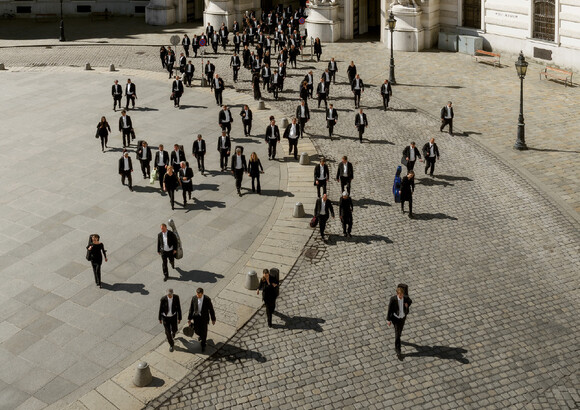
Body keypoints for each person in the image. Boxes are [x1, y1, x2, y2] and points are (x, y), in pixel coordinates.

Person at [187, 288, 216, 352]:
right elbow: (191, 309)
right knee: (197, 330)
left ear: (202, 294)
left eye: (199, 295)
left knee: (204, 331)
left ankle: (203, 344)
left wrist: (213, 319)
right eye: (197, 294)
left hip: (204, 318)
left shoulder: (207, 299)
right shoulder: (194, 298)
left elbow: (211, 309)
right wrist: (189, 318)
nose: (198, 296)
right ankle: (200, 335)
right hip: (196, 318)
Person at [387, 286, 412, 356]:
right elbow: (390, 309)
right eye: (400, 295)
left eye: (402, 295)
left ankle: (398, 337)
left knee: (400, 331)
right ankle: (398, 350)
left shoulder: (406, 298)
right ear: (397, 294)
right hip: (396, 318)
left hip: (403, 318)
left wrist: (407, 306)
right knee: (397, 334)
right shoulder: (393, 299)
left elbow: (410, 301)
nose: (401, 296)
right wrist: (388, 320)